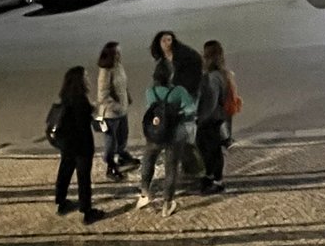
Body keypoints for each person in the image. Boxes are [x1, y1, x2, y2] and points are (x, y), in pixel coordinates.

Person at [136, 63, 196, 217]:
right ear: (171, 75)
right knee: (171, 168)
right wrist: (179, 112)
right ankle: (167, 203)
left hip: (155, 133)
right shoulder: (179, 91)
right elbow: (191, 109)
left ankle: (144, 194)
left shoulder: (151, 91)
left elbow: (150, 107)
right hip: (174, 134)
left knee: (148, 160)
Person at [54, 65, 104, 224]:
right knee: (83, 178)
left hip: (67, 143)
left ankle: (61, 202)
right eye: (86, 77)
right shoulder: (80, 100)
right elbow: (83, 123)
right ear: (80, 81)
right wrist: (94, 112)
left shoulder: (66, 97)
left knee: (65, 171)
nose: (88, 79)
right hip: (81, 145)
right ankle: (87, 211)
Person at [96, 41, 138, 180]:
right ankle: (111, 167)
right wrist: (118, 106)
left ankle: (122, 157)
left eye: (120, 52)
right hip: (110, 114)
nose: (120, 55)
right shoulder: (105, 71)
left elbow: (123, 85)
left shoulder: (119, 66)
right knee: (110, 143)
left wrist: (128, 97)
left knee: (122, 137)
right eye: (117, 52)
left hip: (122, 111)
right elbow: (102, 96)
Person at [197, 41, 229, 192]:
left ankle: (217, 180)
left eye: (205, 54)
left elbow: (212, 101)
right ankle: (211, 176)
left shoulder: (213, 77)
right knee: (211, 150)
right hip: (216, 117)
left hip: (210, 119)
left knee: (211, 150)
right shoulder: (220, 74)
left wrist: (200, 118)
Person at [150, 30, 203, 98]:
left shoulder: (185, 56)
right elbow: (158, 79)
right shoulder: (161, 63)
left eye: (169, 40)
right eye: (164, 41)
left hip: (187, 92)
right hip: (169, 94)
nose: (167, 43)